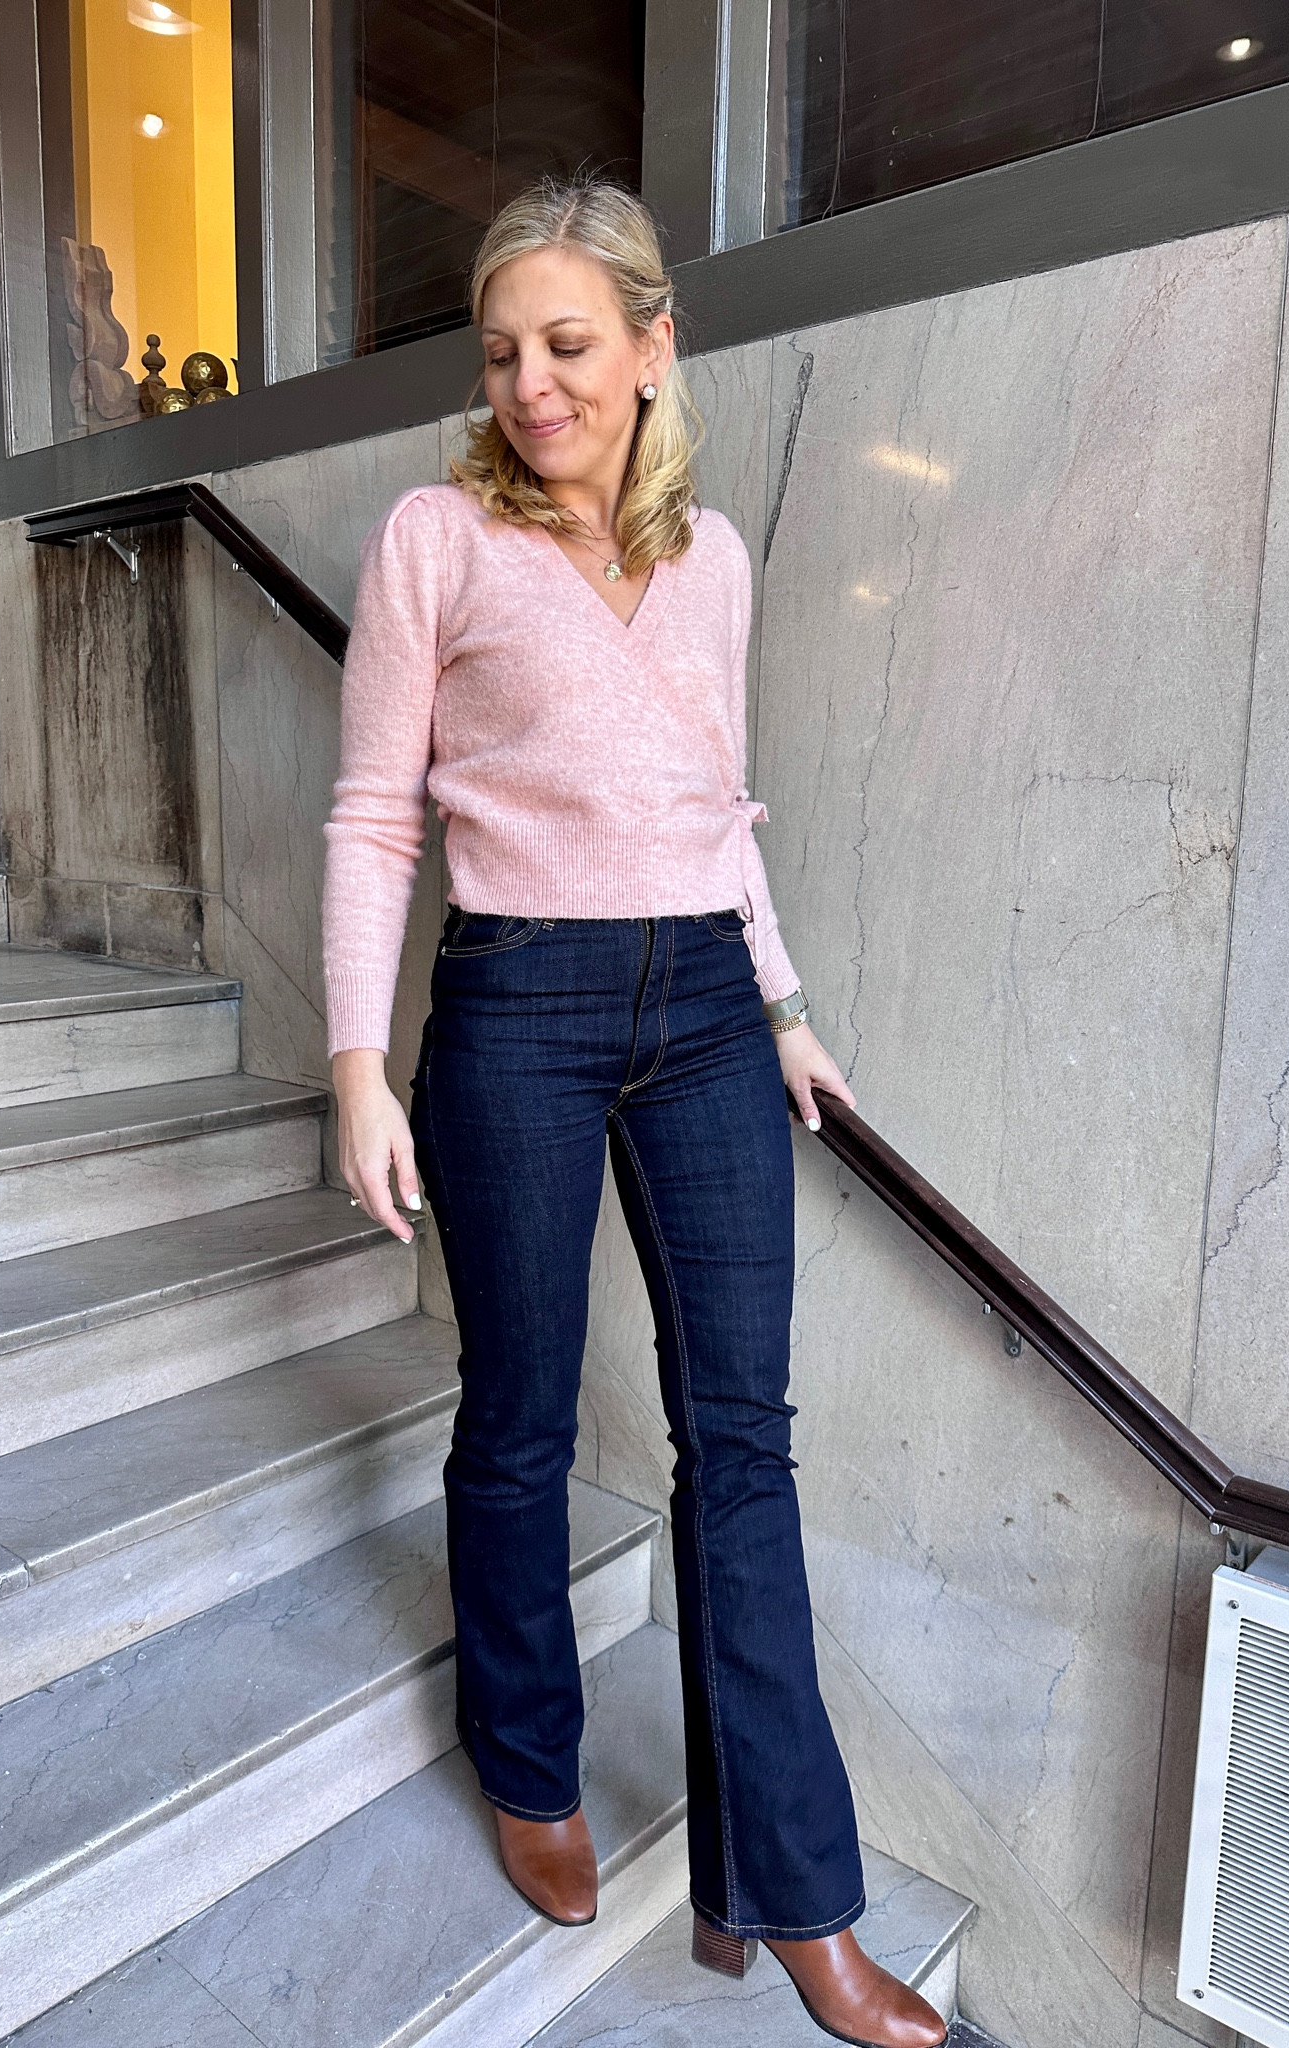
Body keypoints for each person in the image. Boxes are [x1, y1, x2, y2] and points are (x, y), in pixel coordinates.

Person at [322, 176, 946, 2048]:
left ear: (655, 344)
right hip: (514, 1003)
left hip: (702, 1012)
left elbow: (718, 811)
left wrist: (787, 1006)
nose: (534, 383)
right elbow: (376, 817)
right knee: (515, 1415)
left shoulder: (722, 558)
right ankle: (527, 1762)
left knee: (739, 1439)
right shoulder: (435, 539)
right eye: (506, 351)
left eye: (571, 344)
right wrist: (360, 1058)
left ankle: (801, 1901)